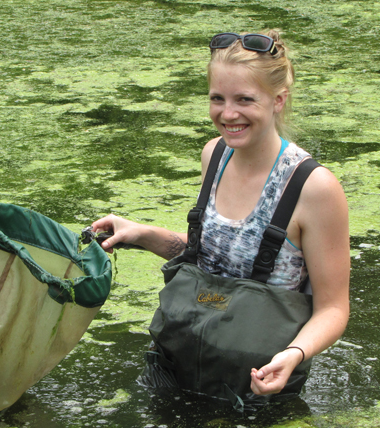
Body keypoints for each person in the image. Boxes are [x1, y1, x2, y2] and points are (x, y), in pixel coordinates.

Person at [91, 30, 350, 398]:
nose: (228, 114)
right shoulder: (214, 155)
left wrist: (295, 353)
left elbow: (334, 309)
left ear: (278, 100)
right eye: (217, 99)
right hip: (179, 369)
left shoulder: (313, 187)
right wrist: (140, 233)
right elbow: (215, 259)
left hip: (260, 387)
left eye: (245, 99)